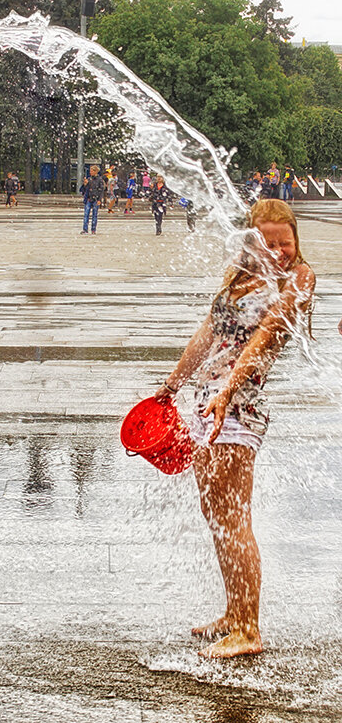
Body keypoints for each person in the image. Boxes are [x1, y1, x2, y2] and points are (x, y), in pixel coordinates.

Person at [156, 198, 314, 658]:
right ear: (251, 239)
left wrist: (226, 391)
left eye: (286, 242)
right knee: (216, 515)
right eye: (269, 243)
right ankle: (234, 613)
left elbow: (264, 335)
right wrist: (172, 385)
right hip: (210, 403)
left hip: (240, 406)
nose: (280, 251)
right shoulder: (241, 276)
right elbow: (208, 334)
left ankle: (248, 630)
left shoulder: (297, 278)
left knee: (234, 518)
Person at [81, 164, 104, 235]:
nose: (90, 172)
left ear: (95, 171)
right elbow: (83, 190)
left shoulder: (99, 180)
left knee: (94, 215)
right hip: (89, 198)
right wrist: (85, 184)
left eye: (92, 171)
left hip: (96, 199)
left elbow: (101, 190)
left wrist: (100, 199)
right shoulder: (89, 179)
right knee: (86, 214)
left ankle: (93, 229)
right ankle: (85, 229)